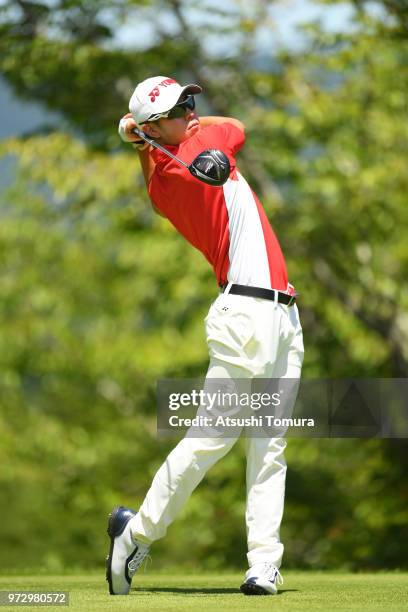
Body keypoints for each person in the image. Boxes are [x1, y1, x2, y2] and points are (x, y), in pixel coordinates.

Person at [106, 75, 304, 596]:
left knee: (270, 446)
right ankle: (136, 532)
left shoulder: (196, 141)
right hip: (244, 313)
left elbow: (233, 127)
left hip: (285, 315)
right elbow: (182, 158)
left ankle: (263, 564)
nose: (192, 110)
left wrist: (141, 129)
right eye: (179, 107)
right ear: (155, 126)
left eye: (191, 99)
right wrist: (148, 140)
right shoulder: (165, 183)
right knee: (211, 440)